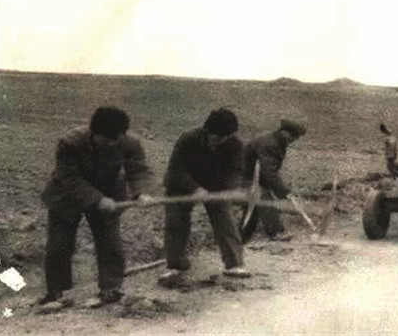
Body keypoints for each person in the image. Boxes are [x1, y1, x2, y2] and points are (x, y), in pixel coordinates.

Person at [39, 106, 153, 308]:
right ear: (94, 132)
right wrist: (97, 199)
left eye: (116, 139)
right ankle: (56, 293)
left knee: (110, 243)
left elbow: (138, 171)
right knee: (59, 244)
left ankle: (111, 289)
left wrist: (141, 193)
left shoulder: (130, 143)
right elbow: (68, 177)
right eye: (106, 140)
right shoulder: (70, 142)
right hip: (66, 194)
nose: (111, 144)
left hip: (110, 191)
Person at [160, 108, 250, 281]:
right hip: (182, 184)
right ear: (207, 131)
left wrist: (230, 189)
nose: (220, 141)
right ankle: (175, 265)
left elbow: (235, 171)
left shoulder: (235, 145)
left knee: (225, 219)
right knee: (175, 221)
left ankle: (234, 264)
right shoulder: (188, 139)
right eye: (216, 137)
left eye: (225, 138)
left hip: (216, 185)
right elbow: (176, 170)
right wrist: (195, 189)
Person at [239, 119, 307, 243]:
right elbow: (268, 172)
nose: (294, 140)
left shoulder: (276, 142)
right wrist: (285, 192)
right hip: (237, 177)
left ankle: (241, 236)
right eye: (294, 136)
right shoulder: (269, 144)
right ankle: (276, 232)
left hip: (251, 177)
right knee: (262, 195)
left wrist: (281, 190)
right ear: (285, 132)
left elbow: (267, 171)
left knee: (254, 205)